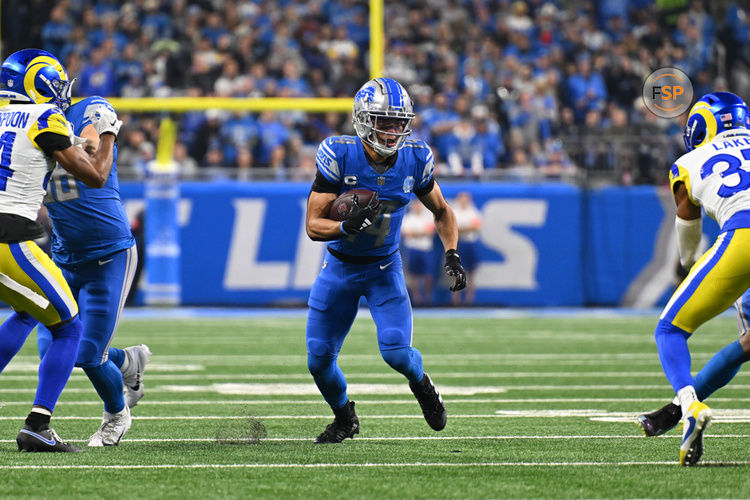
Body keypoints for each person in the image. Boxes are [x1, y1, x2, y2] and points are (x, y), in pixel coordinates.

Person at [305, 77, 467, 443]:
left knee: (396, 351)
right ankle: (344, 417)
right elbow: (314, 225)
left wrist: (452, 254)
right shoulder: (339, 154)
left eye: (398, 122)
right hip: (339, 267)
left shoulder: (415, 158)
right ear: (364, 119)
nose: (393, 131)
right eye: (384, 121)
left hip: (384, 269)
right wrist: (346, 225)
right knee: (318, 359)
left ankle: (422, 384)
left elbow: (442, 211)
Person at [0, 48, 120, 452]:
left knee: (24, 312)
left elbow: (62, 144)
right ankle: (38, 425)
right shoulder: (43, 117)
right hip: (9, 240)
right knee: (68, 328)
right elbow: (97, 175)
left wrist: (81, 142)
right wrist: (107, 134)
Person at [639, 92, 750, 466]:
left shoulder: (688, 162)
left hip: (743, 235)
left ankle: (688, 408)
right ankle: (675, 413)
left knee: (670, 329)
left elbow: (688, 251)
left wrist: (683, 270)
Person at [37, 94, 152, 447]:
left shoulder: (86, 112)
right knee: (51, 353)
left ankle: (117, 414)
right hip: (64, 254)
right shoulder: (25, 130)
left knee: (88, 354)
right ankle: (127, 360)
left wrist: (78, 140)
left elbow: (92, 155)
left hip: (109, 253)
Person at [401, 200, 435, 305]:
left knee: (428, 275)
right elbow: (406, 233)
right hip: (413, 249)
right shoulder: (407, 218)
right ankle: (416, 299)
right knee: (414, 275)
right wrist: (422, 233)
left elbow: (430, 231)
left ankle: (428, 298)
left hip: (425, 249)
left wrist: (415, 233)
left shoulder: (428, 217)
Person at [452, 191, 482, 305]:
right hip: (458, 243)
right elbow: (453, 229)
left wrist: (461, 228)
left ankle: (470, 300)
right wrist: (467, 228)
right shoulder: (454, 212)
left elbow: (476, 226)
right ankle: (456, 300)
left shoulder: (473, 212)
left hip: (470, 243)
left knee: (471, 273)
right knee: (456, 273)